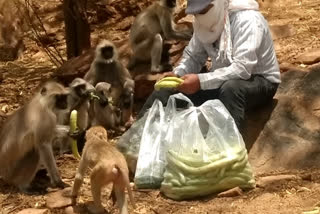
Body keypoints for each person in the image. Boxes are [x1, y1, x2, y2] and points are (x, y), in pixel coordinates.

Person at [138, 0, 281, 133]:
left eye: (204, 10)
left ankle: (228, 150)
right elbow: (194, 57)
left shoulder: (247, 20)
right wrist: (178, 75)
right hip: (221, 79)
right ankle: (135, 138)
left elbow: (242, 69)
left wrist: (201, 82)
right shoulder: (203, 24)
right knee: (166, 90)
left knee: (231, 89)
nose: (200, 16)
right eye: (196, 13)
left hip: (259, 81)